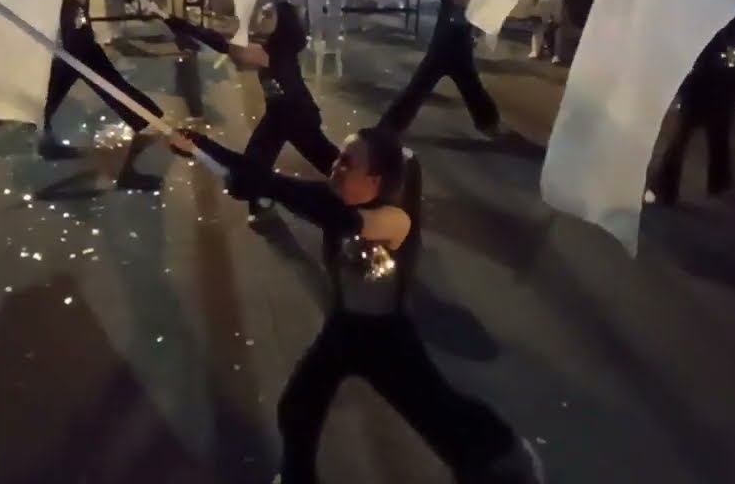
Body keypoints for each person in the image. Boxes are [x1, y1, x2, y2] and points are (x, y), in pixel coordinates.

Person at [168, 127, 543, 484]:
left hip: (386, 340)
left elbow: (316, 207)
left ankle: (508, 458)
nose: (335, 166)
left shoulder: (394, 220)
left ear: (375, 181)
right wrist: (203, 148)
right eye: (339, 158)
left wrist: (265, 185)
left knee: (439, 414)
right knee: (297, 409)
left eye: (348, 162)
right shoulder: (339, 198)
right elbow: (286, 187)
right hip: (345, 328)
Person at [163, 1, 338, 220]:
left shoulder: (275, 52)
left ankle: (369, 199)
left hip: (297, 116)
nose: (260, 17)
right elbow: (231, 45)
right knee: (254, 165)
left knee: (330, 162)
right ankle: (261, 198)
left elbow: (229, 48)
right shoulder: (271, 46)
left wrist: (186, 27)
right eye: (262, 13)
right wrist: (185, 27)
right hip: (278, 115)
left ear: (282, 23)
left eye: (267, 15)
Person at [40, 0, 165, 186]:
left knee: (46, 104)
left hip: (79, 59)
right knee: (144, 114)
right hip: (81, 59)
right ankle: (128, 174)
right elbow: (76, 36)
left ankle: (46, 143)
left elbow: (76, 35)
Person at [378, 0, 501, 137]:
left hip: (461, 57)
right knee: (415, 91)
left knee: (474, 91)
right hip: (438, 53)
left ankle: (489, 123)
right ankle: (389, 127)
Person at [647, 19, 735, 206]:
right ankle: (667, 186)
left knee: (711, 137)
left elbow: (733, 62)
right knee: (688, 139)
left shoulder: (728, 30)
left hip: (711, 89)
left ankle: (713, 183)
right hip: (704, 89)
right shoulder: (726, 31)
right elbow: (729, 63)